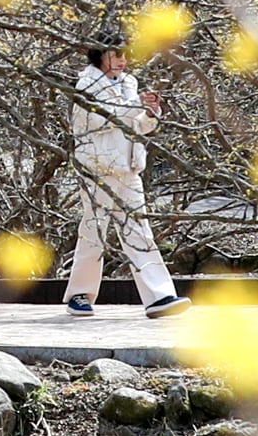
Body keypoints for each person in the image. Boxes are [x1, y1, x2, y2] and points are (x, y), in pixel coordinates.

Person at [65, 40, 189, 319]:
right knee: (94, 230)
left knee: (140, 231)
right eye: (115, 55)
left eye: (125, 56)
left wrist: (150, 112)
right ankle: (79, 295)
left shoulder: (129, 83)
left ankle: (159, 296)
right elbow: (102, 118)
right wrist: (136, 105)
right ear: (100, 56)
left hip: (128, 168)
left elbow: (139, 125)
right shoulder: (85, 85)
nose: (122, 61)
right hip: (98, 169)